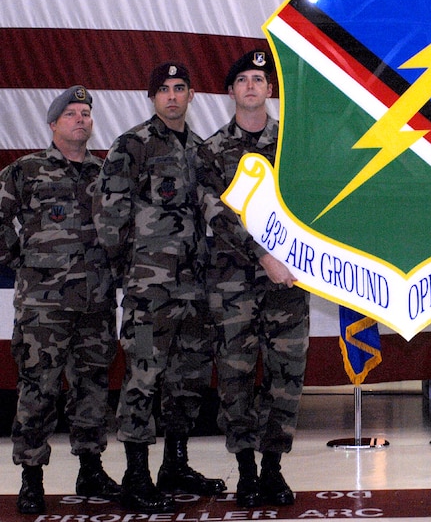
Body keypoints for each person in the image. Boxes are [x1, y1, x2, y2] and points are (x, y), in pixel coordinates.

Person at [93, 62, 226, 513]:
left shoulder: (202, 150)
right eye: (164, 89)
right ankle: (136, 474)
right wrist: (132, 269)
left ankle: (175, 463)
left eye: (180, 88)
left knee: (187, 380)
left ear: (192, 96)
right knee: (143, 378)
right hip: (149, 293)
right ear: (152, 97)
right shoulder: (132, 145)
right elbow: (109, 216)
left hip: (193, 289)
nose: (172, 96)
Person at [196, 50, 309, 507]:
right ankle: (245, 470)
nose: (250, 86)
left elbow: (316, 207)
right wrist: (262, 254)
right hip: (233, 283)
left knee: (286, 376)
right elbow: (214, 212)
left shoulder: (295, 146)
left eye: (258, 79)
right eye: (241, 79)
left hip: (289, 282)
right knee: (236, 378)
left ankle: (273, 469)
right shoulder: (211, 150)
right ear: (230, 91)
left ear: (269, 89)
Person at [0, 86, 121, 514]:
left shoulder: (105, 174)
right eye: (70, 113)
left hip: (96, 304)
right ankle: (31, 478)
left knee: (91, 391)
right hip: (44, 308)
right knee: (39, 391)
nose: (80, 119)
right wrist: (19, 259)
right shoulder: (26, 170)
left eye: (85, 113)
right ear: (53, 124)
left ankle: (90, 469)